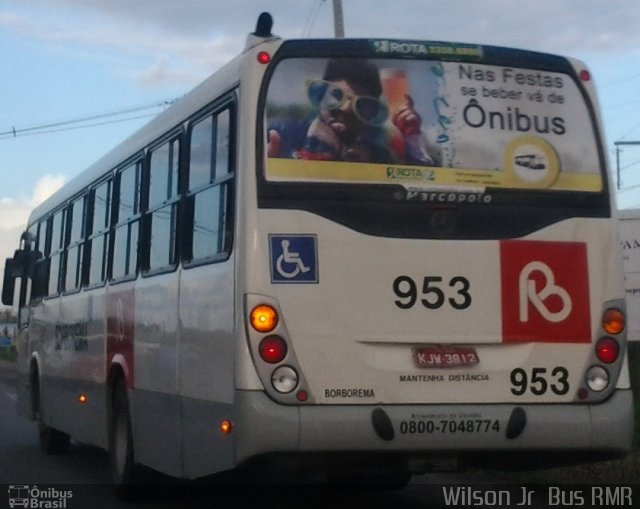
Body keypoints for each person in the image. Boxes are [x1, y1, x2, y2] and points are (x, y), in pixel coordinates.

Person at [267, 58, 435, 165]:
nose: (345, 108)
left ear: (371, 114)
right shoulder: (281, 133)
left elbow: (420, 191)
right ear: (321, 97)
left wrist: (413, 140)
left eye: (360, 105)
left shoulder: (377, 156)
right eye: (335, 96)